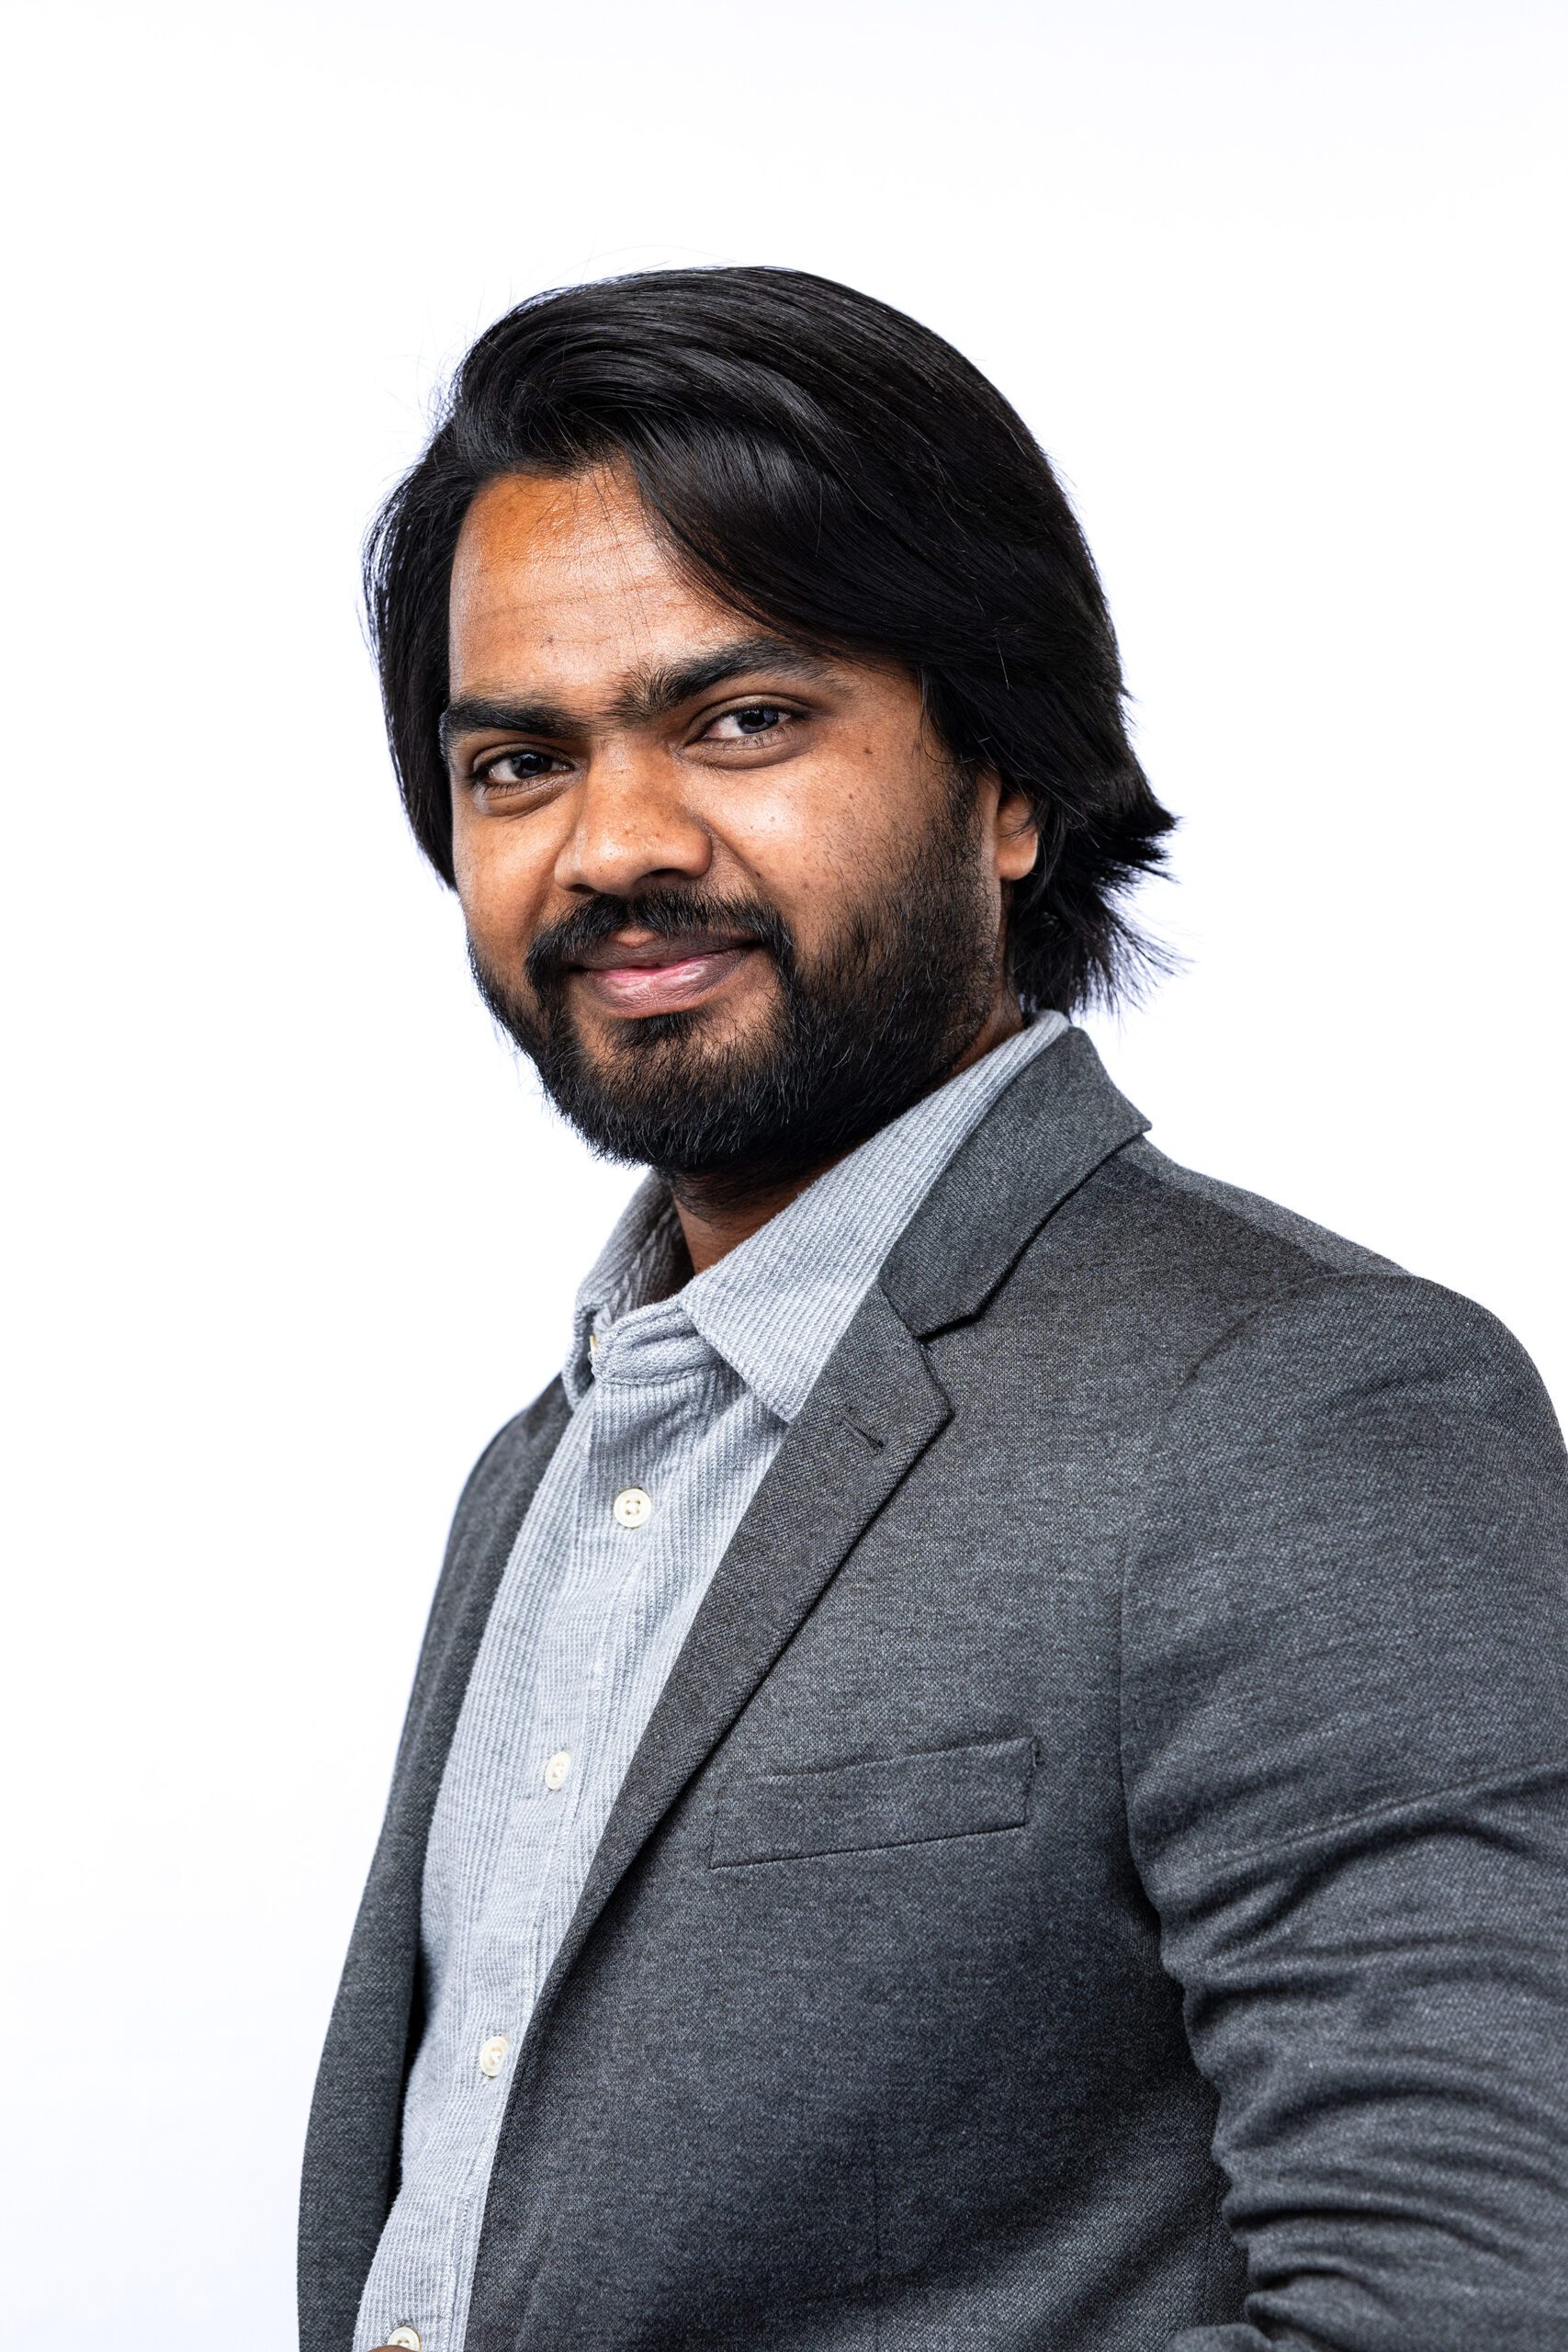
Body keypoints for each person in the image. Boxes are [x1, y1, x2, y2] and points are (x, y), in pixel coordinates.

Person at [299, 267, 1568, 2352]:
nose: (613, 843)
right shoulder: (539, 1473)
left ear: (1007, 781)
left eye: (740, 720)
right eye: (517, 761)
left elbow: (1466, 2303)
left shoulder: (1306, 1409)